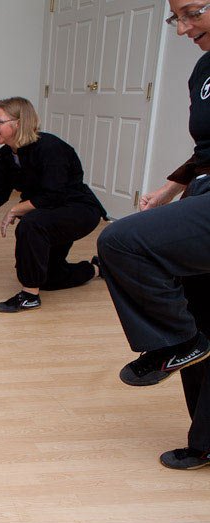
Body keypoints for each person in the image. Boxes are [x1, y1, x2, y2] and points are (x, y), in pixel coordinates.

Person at [96, 0, 210, 470]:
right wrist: (172, 186)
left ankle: (174, 341)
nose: (183, 28)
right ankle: (205, 440)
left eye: (193, 13)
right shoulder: (202, 70)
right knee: (200, 317)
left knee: (120, 241)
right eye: (176, 18)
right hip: (201, 190)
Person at [0, 97, 103, 313]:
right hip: (48, 213)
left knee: (30, 224)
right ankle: (97, 269)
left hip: (78, 210)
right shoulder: (6, 155)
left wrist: (15, 210)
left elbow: (54, 194)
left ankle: (29, 296)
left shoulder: (50, 147)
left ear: (18, 123)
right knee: (48, 277)